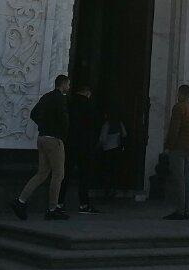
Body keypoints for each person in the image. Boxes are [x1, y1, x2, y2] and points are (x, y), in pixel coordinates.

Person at [10, 74, 71, 220]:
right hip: (54, 139)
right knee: (58, 174)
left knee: (42, 173)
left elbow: (33, 113)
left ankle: (21, 201)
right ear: (63, 84)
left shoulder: (46, 97)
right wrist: (62, 133)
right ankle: (52, 209)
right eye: (68, 84)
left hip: (42, 138)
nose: (69, 87)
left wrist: (43, 125)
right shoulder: (60, 99)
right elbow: (63, 119)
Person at [162, 83, 189, 220]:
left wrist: (168, 146)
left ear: (180, 93)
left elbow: (174, 129)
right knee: (186, 180)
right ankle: (186, 210)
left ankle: (179, 211)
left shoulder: (179, 108)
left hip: (178, 148)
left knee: (178, 180)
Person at [62, 83, 102, 214]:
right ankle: (84, 204)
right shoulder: (89, 106)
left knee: (64, 174)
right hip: (85, 145)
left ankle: (59, 202)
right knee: (84, 175)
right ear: (88, 93)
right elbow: (96, 124)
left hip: (69, 143)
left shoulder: (68, 103)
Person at [96, 108, 127, 198]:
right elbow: (124, 134)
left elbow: (102, 139)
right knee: (114, 170)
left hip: (107, 151)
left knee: (107, 171)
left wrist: (96, 147)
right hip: (117, 149)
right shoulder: (119, 123)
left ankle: (107, 190)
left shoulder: (106, 125)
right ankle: (113, 188)